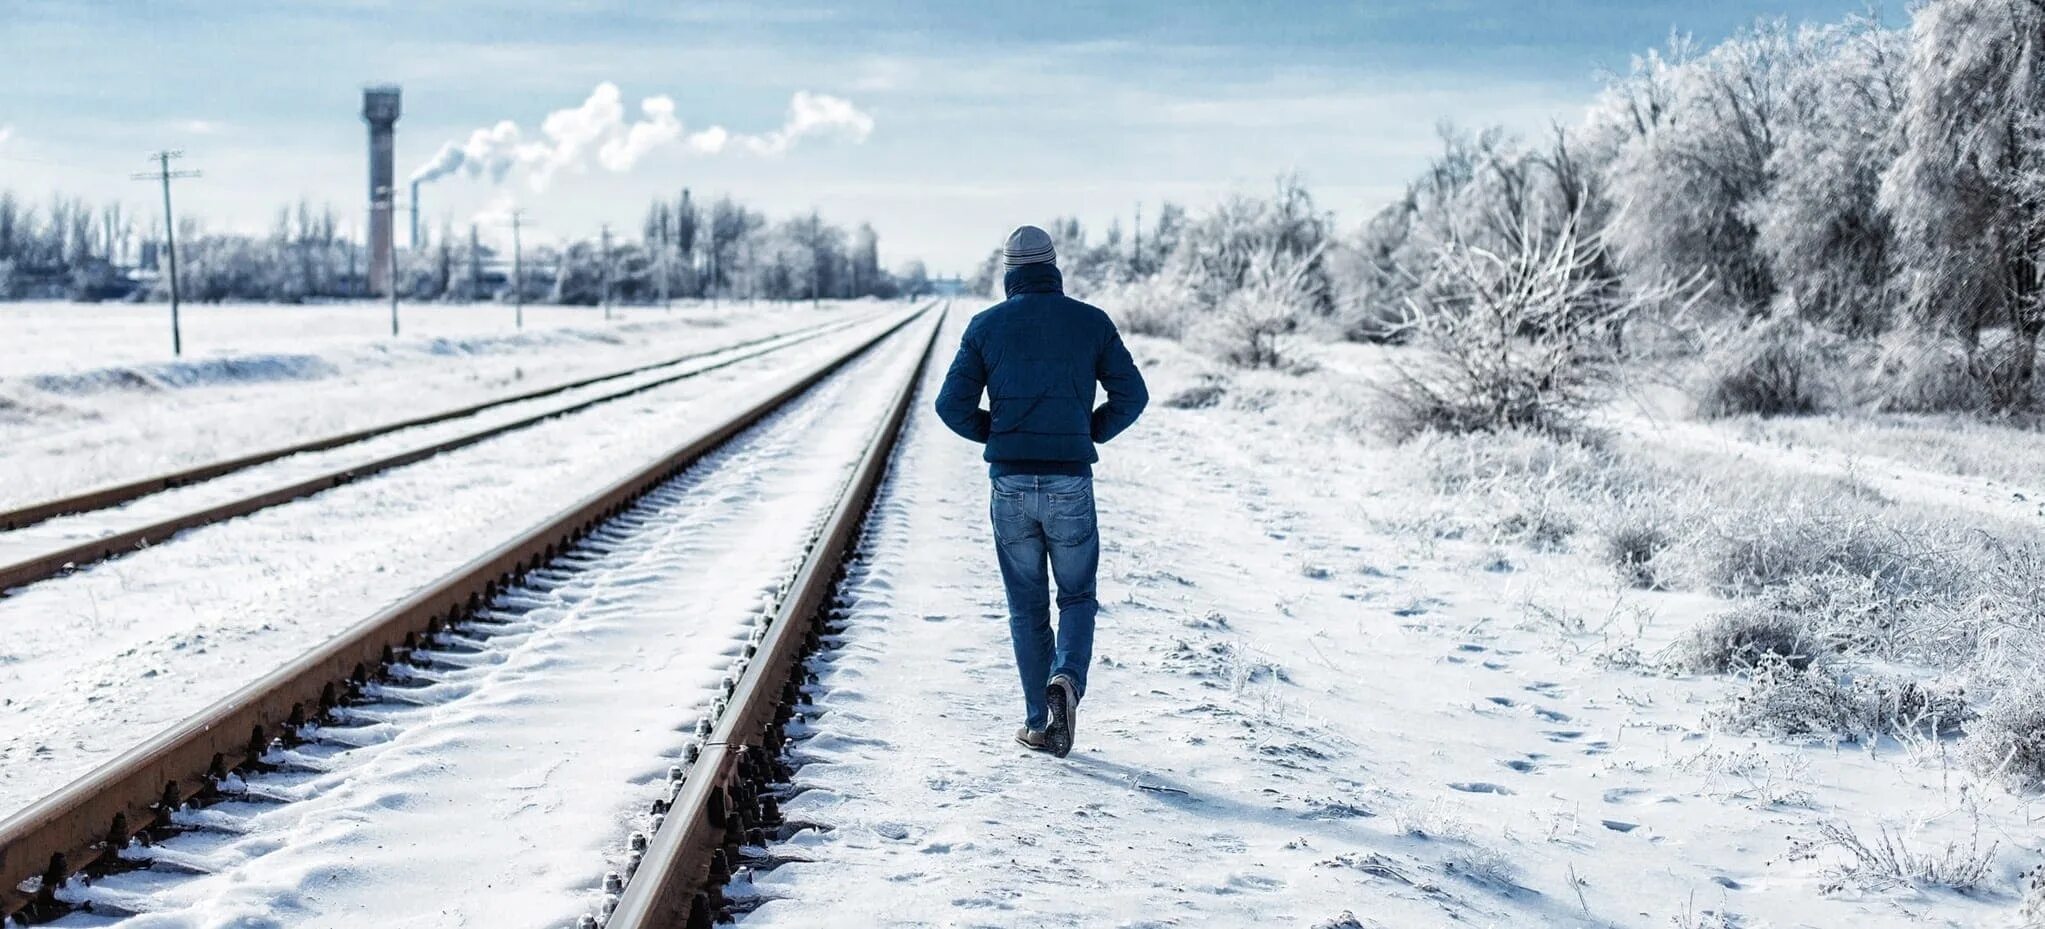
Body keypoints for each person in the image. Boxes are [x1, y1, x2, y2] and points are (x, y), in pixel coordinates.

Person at [934, 224, 1148, 758]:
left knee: (1026, 607)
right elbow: (1133, 394)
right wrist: (1086, 431)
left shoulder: (985, 326)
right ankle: (1067, 681)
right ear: (1054, 268)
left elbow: (950, 406)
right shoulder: (1091, 322)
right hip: (1069, 481)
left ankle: (1039, 722)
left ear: (1009, 273)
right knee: (1076, 595)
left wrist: (1001, 435)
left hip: (1009, 485)